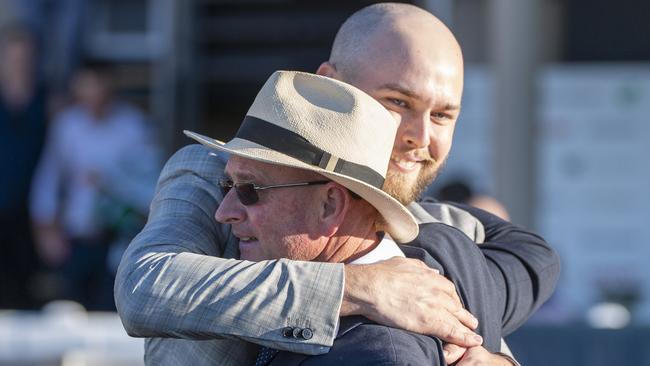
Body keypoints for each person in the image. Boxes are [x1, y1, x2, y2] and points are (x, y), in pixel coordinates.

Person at [115, 3, 559, 365]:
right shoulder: (210, 170)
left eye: (443, 115)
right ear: (330, 85)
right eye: (397, 101)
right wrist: (361, 287)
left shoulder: (439, 232)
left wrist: (494, 356)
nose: (420, 137)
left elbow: (534, 256)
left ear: (335, 205)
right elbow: (144, 289)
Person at [186, 70, 516, 365]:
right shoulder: (444, 249)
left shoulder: (379, 354)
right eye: (227, 184)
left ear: (330, 205)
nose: (223, 212)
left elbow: (534, 255)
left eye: (250, 189)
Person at [31, 62, 160, 310]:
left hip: (119, 239)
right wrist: (46, 230)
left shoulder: (133, 127)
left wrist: (112, 184)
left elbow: (149, 182)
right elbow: (49, 179)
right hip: (76, 238)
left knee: (112, 313)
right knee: (69, 313)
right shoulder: (66, 126)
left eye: (97, 86)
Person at [0, 25, 47, 309]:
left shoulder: (49, 102)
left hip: (34, 213)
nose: (19, 66)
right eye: (13, 58)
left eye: (25, 60)